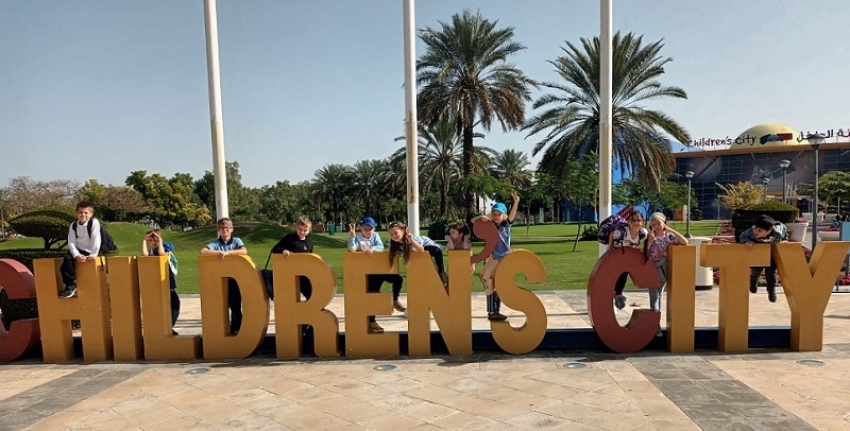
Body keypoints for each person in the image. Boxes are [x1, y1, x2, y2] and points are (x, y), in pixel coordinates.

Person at [348, 216, 404, 334]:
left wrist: (372, 249)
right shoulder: (357, 238)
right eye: (365, 228)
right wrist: (352, 237)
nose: (367, 231)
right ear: (360, 228)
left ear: (374, 229)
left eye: (370, 229)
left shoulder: (375, 236)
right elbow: (352, 249)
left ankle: (395, 300)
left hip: (379, 270)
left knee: (398, 279)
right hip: (366, 273)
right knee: (371, 296)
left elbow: (380, 247)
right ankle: (371, 322)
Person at [471, 192, 520, 322]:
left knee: (497, 283)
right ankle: (492, 311)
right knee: (487, 280)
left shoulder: (506, 225)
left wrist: (516, 202)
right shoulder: (490, 225)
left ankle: (495, 310)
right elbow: (473, 221)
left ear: (503, 215)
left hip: (503, 258)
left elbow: (512, 215)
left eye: (499, 214)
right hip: (494, 258)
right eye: (494, 214)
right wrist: (483, 217)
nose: (496, 217)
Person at [200, 218, 248, 335]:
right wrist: (219, 253)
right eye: (221, 228)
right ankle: (227, 327)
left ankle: (237, 326)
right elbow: (203, 251)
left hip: (235, 278)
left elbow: (244, 251)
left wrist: (228, 253)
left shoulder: (236, 241)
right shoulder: (216, 243)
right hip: (222, 279)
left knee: (236, 304)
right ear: (218, 230)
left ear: (231, 229)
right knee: (224, 304)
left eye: (227, 227)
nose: (224, 230)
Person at [646, 213, 687, 336]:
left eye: (658, 223)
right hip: (652, 268)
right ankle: (655, 325)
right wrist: (650, 241)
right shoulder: (650, 236)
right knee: (654, 296)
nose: (656, 226)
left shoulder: (669, 236)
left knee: (659, 295)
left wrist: (670, 229)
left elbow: (685, 241)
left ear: (663, 222)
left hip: (663, 269)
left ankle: (656, 323)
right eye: (653, 224)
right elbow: (645, 254)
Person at [740, 214, 788, 303]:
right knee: (756, 270)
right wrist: (746, 241)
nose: (756, 232)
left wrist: (785, 239)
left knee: (771, 273)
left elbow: (783, 228)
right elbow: (742, 236)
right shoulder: (751, 232)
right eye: (756, 228)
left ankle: (771, 291)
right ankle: (753, 281)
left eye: (760, 230)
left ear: (768, 231)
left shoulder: (777, 233)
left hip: (771, 253)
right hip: (758, 253)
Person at [59, 201, 102, 298]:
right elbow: (71, 241)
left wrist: (93, 254)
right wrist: (76, 254)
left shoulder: (94, 222)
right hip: (78, 250)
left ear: (91, 214)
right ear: (76, 213)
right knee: (65, 264)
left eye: (86, 212)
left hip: (90, 250)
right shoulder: (73, 225)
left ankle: (71, 286)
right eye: (80, 212)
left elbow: (96, 239)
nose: (83, 215)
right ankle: (71, 285)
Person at [608, 209, 648, 310]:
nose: (635, 223)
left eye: (638, 220)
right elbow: (612, 234)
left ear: (642, 223)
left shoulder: (643, 233)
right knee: (620, 273)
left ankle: (618, 294)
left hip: (627, 254)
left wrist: (643, 249)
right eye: (633, 220)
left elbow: (647, 241)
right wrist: (610, 246)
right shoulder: (622, 232)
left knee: (625, 273)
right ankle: (617, 294)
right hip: (618, 253)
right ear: (629, 222)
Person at [142, 228, 180, 335]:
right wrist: (144, 240)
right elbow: (145, 256)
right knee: (160, 307)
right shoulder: (151, 251)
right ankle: (164, 327)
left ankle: (169, 326)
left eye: (155, 239)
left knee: (175, 305)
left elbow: (162, 254)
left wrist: (160, 241)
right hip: (156, 283)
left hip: (168, 282)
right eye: (150, 240)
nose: (153, 242)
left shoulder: (166, 247)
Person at [387, 221, 447, 288]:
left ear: (403, 231)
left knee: (436, 250)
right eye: (391, 234)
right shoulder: (394, 244)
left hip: (426, 245)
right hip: (418, 252)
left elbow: (421, 250)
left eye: (395, 233)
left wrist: (410, 239)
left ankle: (442, 272)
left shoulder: (412, 238)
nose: (393, 236)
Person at [270, 216, 315, 301]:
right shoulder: (289, 238)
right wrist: (283, 250)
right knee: (290, 297)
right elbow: (275, 249)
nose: (302, 232)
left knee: (312, 295)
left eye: (305, 230)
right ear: (296, 227)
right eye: (300, 229)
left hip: (304, 273)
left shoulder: (309, 242)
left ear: (309, 230)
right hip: (290, 273)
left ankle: (314, 307)